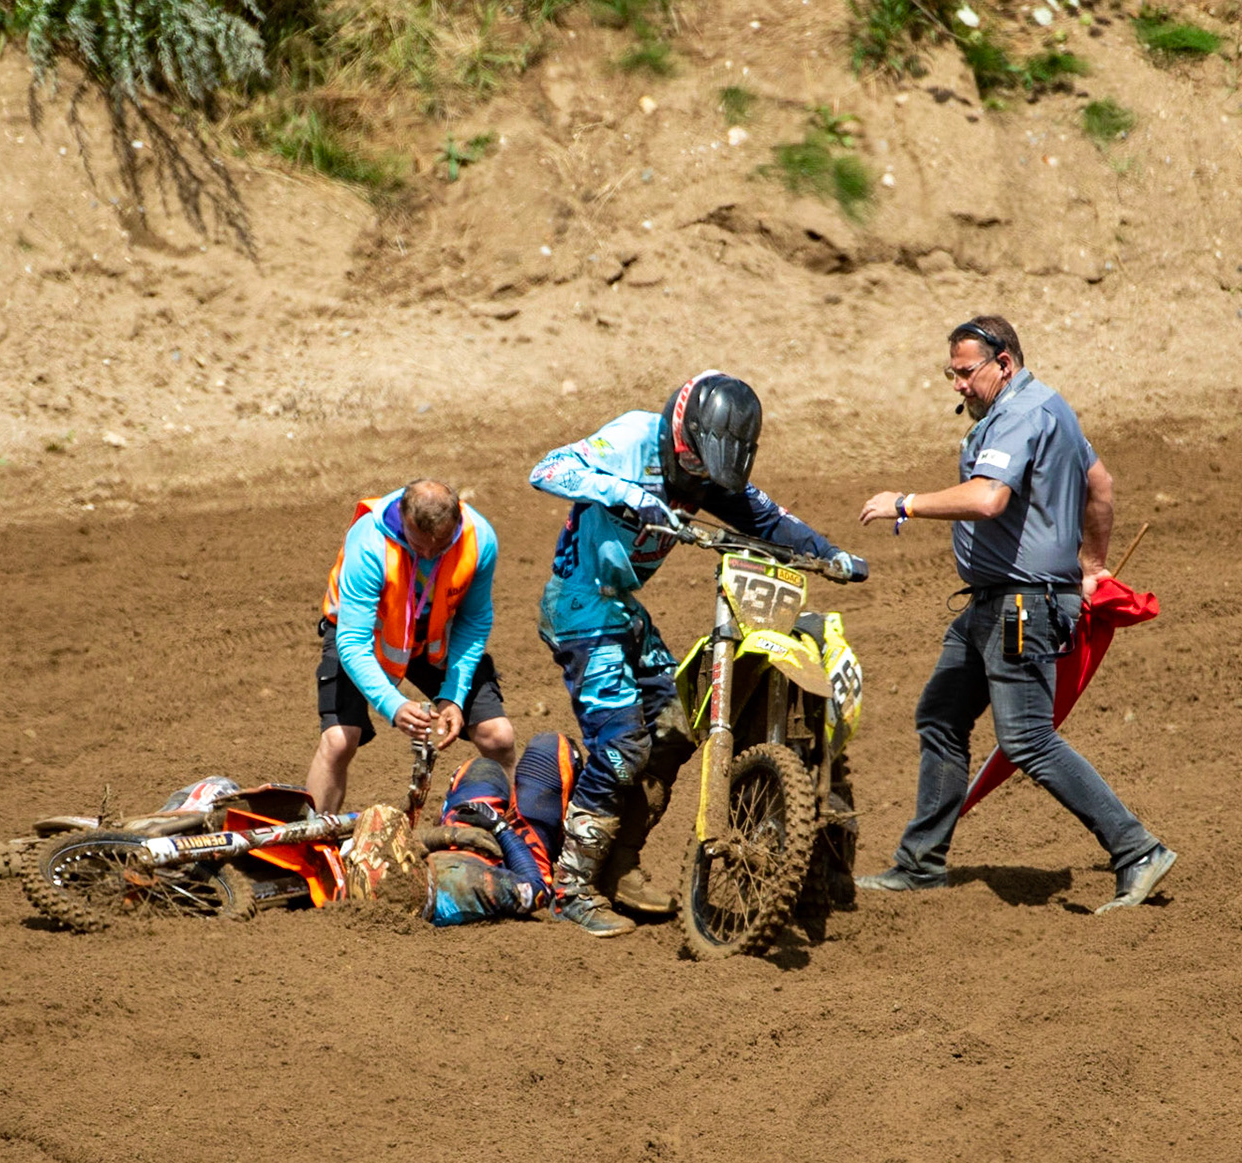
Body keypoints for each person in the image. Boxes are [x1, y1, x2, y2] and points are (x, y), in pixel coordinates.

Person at [855, 316, 1177, 914]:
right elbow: (1100, 484)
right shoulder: (1049, 407)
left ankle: (1137, 849)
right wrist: (1091, 566)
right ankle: (921, 864)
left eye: (965, 372)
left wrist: (906, 503)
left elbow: (988, 497)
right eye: (951, 374)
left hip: (1022, 606)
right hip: (995, 602)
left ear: (1003, 363)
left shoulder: (1022, 414)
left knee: (1027, 738)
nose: (958, 385)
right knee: (941, 716)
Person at [529, 371, 868, 937]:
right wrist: (630, 495)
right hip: (580, 607)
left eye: (709, 473)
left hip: (622, 610)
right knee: (621, 747)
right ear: (679, 432)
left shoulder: (708, 470)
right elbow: (547, 468)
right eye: (694, 466)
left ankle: (619, 865)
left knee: (678, 720)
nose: (698, 481)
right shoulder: (634, 437)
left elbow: (768, 519)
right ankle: (571, 887)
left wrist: (830, 554)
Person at [304, 479, 516, 813]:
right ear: (403, 519)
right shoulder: (369, 543)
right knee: (339, 741)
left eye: (441, 545)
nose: (429, 554)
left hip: (434, 636)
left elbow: (474, 620)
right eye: (418, 545)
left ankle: (519, 831)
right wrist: (393, 705)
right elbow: (352, 641)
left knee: (498, 736)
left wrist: (454, 695)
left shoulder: (480, 539)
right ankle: (313, 836)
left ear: (456, 522)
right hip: (368, 634)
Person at [422, 731, 581, 926]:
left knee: (482, 769)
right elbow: (536, 890)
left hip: (456, 851)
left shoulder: (395, 867)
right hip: (510, 868)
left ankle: (455, 821)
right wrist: (500, 828)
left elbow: (410, 840)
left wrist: (450, 835)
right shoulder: (482, 884)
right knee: (551, 749)